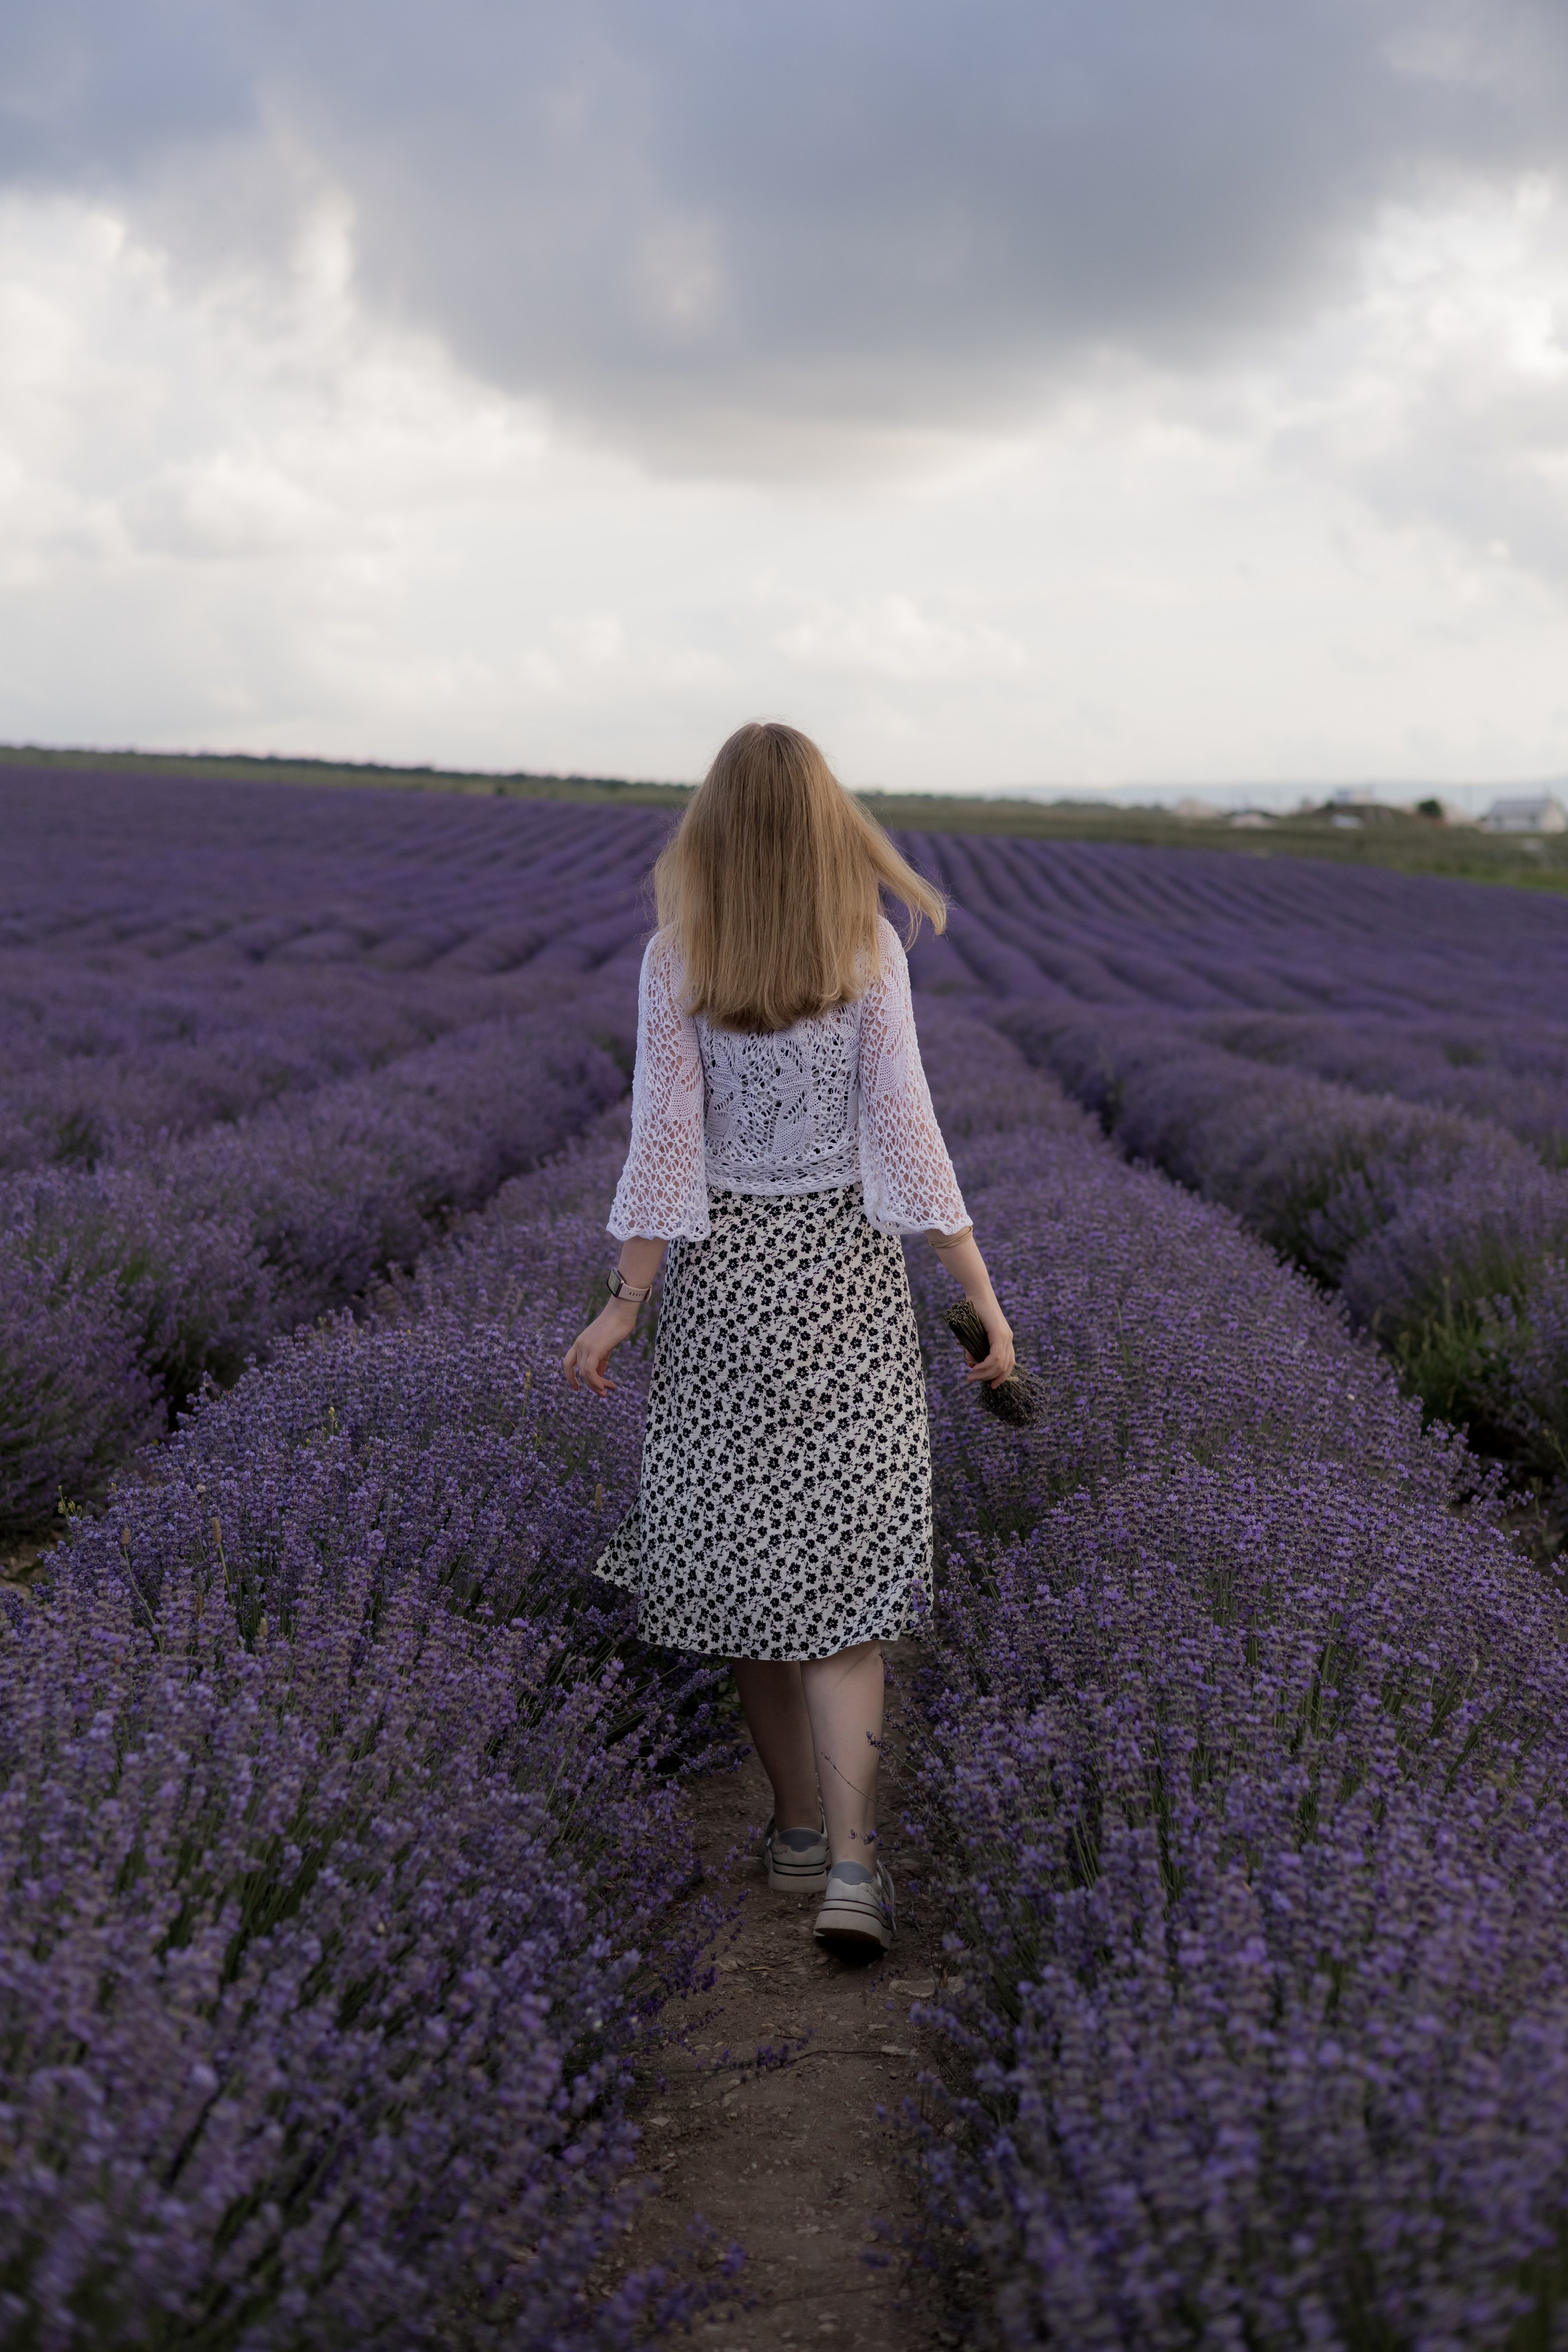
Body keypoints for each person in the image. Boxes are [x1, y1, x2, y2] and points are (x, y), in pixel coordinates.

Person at [561, 722, 1014, 1951]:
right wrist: (978, 1289)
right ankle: (854, 1871)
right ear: (828, 827)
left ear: (710, 827)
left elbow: (663, 1148)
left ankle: (799, 1825)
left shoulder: (676, 958)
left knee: (743, 1579)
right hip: (842, 1288)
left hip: (717, 1295)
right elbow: (909, 1137)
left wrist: (621, 1305)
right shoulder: (867, 951)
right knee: (844, 1588)